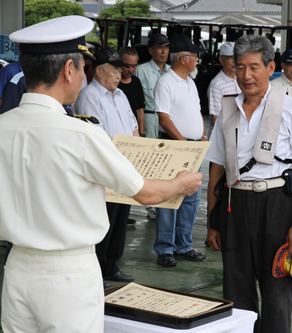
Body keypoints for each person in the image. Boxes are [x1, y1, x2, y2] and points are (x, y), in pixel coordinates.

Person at [0, 15, 201, 333]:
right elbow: (145, 193)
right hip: (68, 275)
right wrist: (181, 181)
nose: (83, 77)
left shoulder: (3, 127)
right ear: (69, 69)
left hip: (16, 270)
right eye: (83, 68)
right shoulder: (81, 134)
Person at [205, 34, 292, 333]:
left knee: (277, 293)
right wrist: (212, 223)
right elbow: (216, 168)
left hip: (276, 204)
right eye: (240, 67)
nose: (246, 75)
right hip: (234, 205)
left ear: (271, 68)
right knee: (235, 293)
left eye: (254, 67)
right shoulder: (228, 109)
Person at [74, 48, 139, 284]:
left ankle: (111, 265)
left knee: (121, 217)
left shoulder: (120, 95)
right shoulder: (90, 96)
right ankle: (98, 267)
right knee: (104, 219)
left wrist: (137, 151)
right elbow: (97, 136)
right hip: (105, 168)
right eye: (115, 70)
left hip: (126, 165)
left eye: (121, 70)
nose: (119, 75)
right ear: (99, 71)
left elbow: (133, 127)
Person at [152, 34, 207, 268]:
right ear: (184, 58)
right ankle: (165, 248)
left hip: (193, 146)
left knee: (190, 199)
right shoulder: (166, 82)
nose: (197, 60)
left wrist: (202, 135)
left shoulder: (190, 82)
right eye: (195, 56)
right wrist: (184, 141)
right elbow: (163, 118)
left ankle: (183, 245)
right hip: (175, 146)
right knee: (169, 198)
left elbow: (196, 112)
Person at [135, 33, 170, 220]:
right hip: (148, 118)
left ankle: (164, 200)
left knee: (166, 160)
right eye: (159, 47)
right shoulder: (141, 70)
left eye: (166, 47)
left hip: (167, 120)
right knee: (150, 161)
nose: (163, 51)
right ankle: (151, 207)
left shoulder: (172, 71)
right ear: (151, 50)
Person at [207, 42, 241, 127]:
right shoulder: (217, 84)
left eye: (236, 57)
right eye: (230, 57)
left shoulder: (240, 80)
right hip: (224, 136)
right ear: (221, 60)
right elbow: (216, 118)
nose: (234, 61)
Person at [118, 46, 146, 137]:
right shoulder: (114, 82)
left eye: (134, 66)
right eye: (127, 66)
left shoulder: (136, 82)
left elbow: (140, 110)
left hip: (133, 130)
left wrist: (141, 133)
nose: (131, 70)